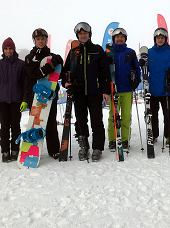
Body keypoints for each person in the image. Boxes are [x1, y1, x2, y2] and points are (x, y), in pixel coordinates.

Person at [61, 22, 111, 162]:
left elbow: (105, 72)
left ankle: (97, 148)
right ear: (77, 35)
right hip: (78, 93)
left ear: (89, 34)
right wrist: (66, 82)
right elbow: (65, 71)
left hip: (95, 92)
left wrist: (106, 91)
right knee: (80, 121)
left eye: (85, 33)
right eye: (80, 33)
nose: (83, 35)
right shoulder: (73, 52)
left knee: (97, 121)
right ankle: (84, 147)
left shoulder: (97, 50)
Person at [24, 28, 63, 159]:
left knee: (51, 123)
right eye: (38, 39)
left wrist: (59, 61)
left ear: (46, 40)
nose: (40, 41)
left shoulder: (53, 56)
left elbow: (59, 74)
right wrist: (51, 65)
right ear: (34, 41)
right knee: (35, 123)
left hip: (50, 96)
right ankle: (32, 149)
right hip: (35, 97)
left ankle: (54, 149)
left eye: (42, 39)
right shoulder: (29, 58)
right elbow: (35, 74)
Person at [146, 27, 170, 147]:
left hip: (166, 89)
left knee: (168, 114)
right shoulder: (149, 52)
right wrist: (141, 63)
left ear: (165, 39)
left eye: (162, 38)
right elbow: (144, 69)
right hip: (152, 90)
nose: (159, 40)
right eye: (157, 38)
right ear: (154, 39)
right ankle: (154, 134)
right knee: (152, 114)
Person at [107, 28, 141, 152]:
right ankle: (112, 140)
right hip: (113, 89)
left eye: (122, 37)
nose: (119, 39)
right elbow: (104, 70)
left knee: (126, 116)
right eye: (117, 37)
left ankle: (125, 139)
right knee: (113, 116)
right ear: (114, 39)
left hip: (127, 90)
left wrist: (136, 80)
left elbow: (137, 69)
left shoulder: (130, 53)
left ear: (125, 39)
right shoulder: (109, 53)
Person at [0, 37, 28, 162]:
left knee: (15, 127)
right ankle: (5, 151)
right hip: (3, 101)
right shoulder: (0, 64)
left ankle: (15, 150)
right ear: (3, 50)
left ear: (14, 49)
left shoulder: (21, 64)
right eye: (6, 49)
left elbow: (25, 84)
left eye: (10, 48)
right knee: (4, 127)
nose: (8, 51)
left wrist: (24, 100)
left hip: (16, 100)